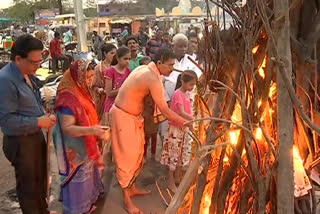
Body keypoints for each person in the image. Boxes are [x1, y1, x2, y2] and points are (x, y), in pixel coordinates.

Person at [109, 48, 190, 214]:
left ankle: (131, 188)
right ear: (159, 63)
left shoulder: (148, 69)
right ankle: (127, 200)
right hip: (123, 117)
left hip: (132, 118)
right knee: (127, 158)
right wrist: (187, 121)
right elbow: (165, 110)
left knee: (138, 155)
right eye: (170, 65)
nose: (172, 69)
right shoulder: (150, 76)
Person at [0, 34, 56, 214]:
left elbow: (31, 102)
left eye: (40, 61)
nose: (38, 66)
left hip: (34, 136)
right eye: (34, 62)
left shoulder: (28, 74)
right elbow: (7, 122)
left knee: (40, 181)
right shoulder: (5, 80)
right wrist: (38, 121)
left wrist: (42, 115)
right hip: (20, 142)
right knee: (28, 190)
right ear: (18, 59)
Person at [53, 59, 109, 214]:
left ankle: (86, 203)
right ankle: (77, 209)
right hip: (72, 145)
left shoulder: (81, 90)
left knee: (88, 174)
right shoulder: (67, 97)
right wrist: (93, 130)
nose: (90, 81)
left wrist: (94, 131)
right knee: (77, 176)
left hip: (84, 140)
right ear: (77, 77)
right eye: (88, 77)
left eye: (92, 77)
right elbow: (67, 128)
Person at [161, 70, 197, 192]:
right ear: (182, 81)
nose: (192, 87)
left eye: (194, 84)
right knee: (173, 156)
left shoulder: (187, 93)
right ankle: (171, 182)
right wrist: (194, 119)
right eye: (190, 84)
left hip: (184, 128)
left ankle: (177, 178)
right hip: (176, 130)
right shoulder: (177, 94)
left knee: (181, 155)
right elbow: (181, 112)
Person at [102, 46, 131, 125]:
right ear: (118, 58)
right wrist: (123, 88)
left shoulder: (128, 71)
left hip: (124, 106)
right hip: (112, 106)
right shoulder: (110, 71)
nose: (128, 61)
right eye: (125, 59)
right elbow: (109, 93)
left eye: (129, 59)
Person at [139, 56, 158, 160]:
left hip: (153, 111)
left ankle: (153, 154)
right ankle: (144, 155)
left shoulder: (155, 78)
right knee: (145, 135)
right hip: (144, 111)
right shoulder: (138, 81)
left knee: (154, 135)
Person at [91, 43, 117, 121]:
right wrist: (99, 90)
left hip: (116, 97)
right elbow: (94, 85)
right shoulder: (99, 68)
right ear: (105, 54)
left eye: (115, 53)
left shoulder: (117, 66)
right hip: (103, 99)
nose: (114, 55)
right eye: (111, 53)